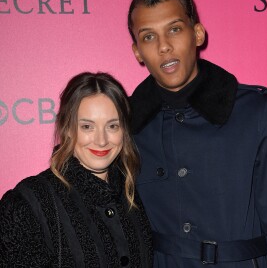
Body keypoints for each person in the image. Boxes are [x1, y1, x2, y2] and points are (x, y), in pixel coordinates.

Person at [127, 0, 267, 267]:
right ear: (137, 51)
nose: (164, 45)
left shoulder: (255, 112)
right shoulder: (127, 125)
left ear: (197, 33)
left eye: (175, 29)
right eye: (149, 36)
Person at [0, 72, 153, 267]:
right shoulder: (29, 203)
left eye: (112, 126)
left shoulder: (134, 192)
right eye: (87, 126)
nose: (101, 140)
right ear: (67, 128)